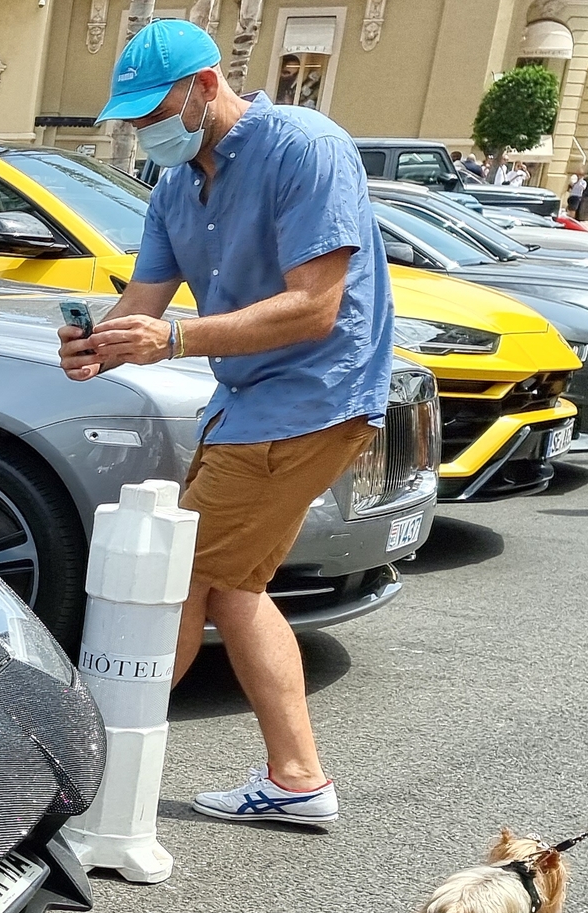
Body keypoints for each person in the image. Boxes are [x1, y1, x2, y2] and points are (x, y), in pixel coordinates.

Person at [62, 20, 392, 829]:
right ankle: (298, 779)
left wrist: (172, 338)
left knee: (179, 581)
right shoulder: (176, 185)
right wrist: (97, 346)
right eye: (132, 118)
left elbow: (317, 307)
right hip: (248, 404)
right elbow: (141, 306)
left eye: (155, 111)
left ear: (208, 86)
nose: (144, 131)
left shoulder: (305, 147)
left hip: (313, 397)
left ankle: (82, 778)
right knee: (232, 586)